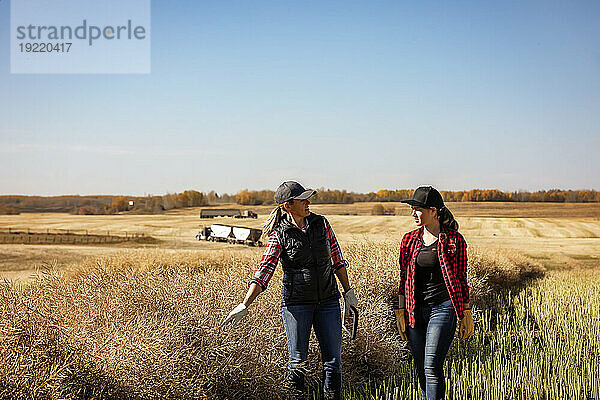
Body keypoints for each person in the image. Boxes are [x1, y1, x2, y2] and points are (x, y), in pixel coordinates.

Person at [222, 181, 358, 400]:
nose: (308, 203)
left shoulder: (321, 224)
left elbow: (337, 259)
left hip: (328, 301)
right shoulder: (279, 234)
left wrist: (348, 293)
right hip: (297, 305)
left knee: (333, 362)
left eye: (307, 198)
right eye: (302, 200)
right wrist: (244, 304)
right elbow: (265, 270)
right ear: (288, 206)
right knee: (298, 362)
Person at [395, 186, 474, 400]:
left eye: (417, 209)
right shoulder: (409, 240)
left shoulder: (454, 241)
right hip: (414, 310)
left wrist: (466, 312)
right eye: (412, 208)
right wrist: (400, 310)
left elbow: (460, 278)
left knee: (431, 367)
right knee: (421, 369)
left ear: (433, 211)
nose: (413, 213)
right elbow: (403, 278)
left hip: (443, 308)